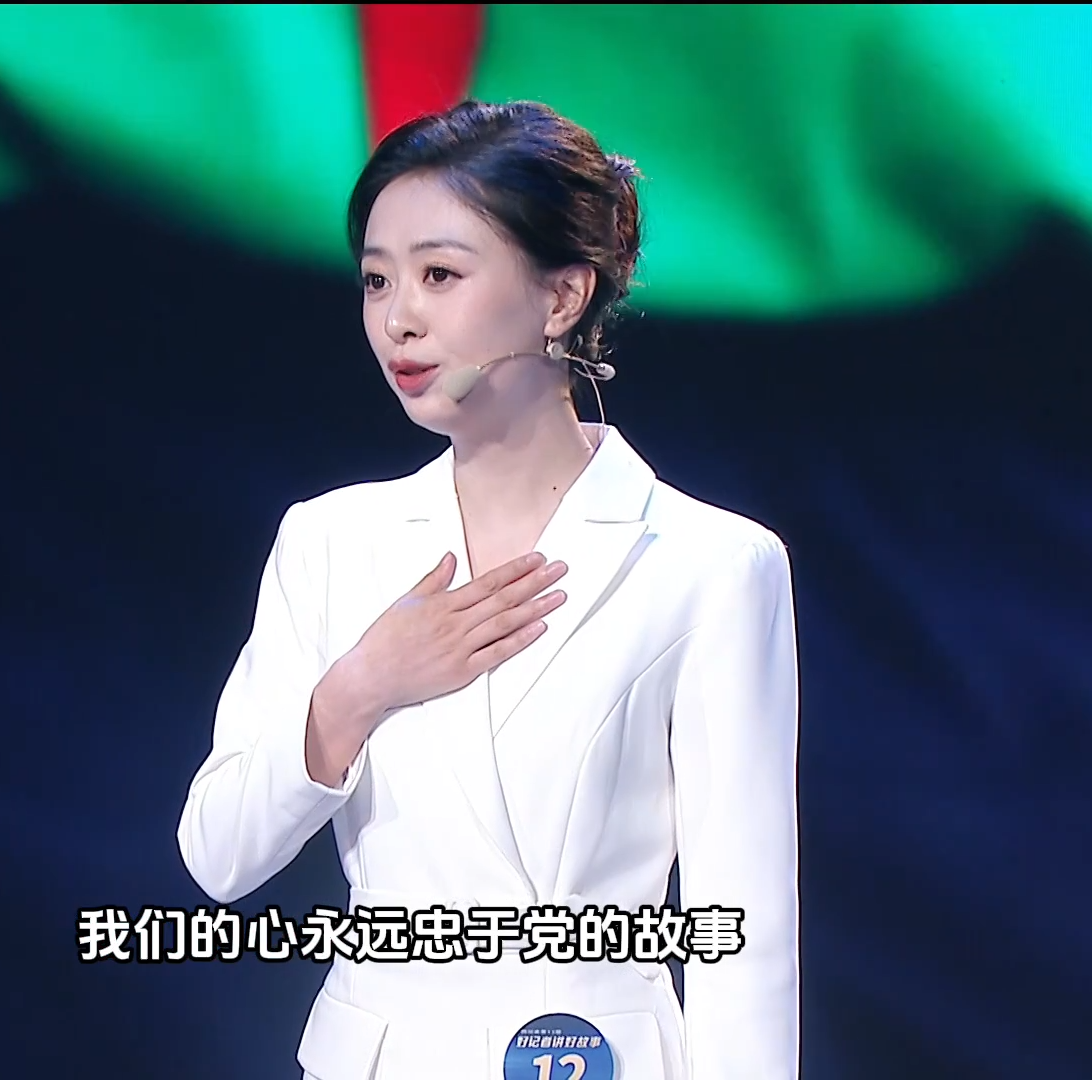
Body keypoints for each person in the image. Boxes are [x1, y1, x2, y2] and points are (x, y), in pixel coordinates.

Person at [176, 100, 801, 1080]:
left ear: (562, 297)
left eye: (440, 274)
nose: (399, 317)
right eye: (376, 279)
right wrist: (358, 689)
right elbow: (219, 858)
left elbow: (745, 932)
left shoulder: (710, 564)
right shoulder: (331, 542)